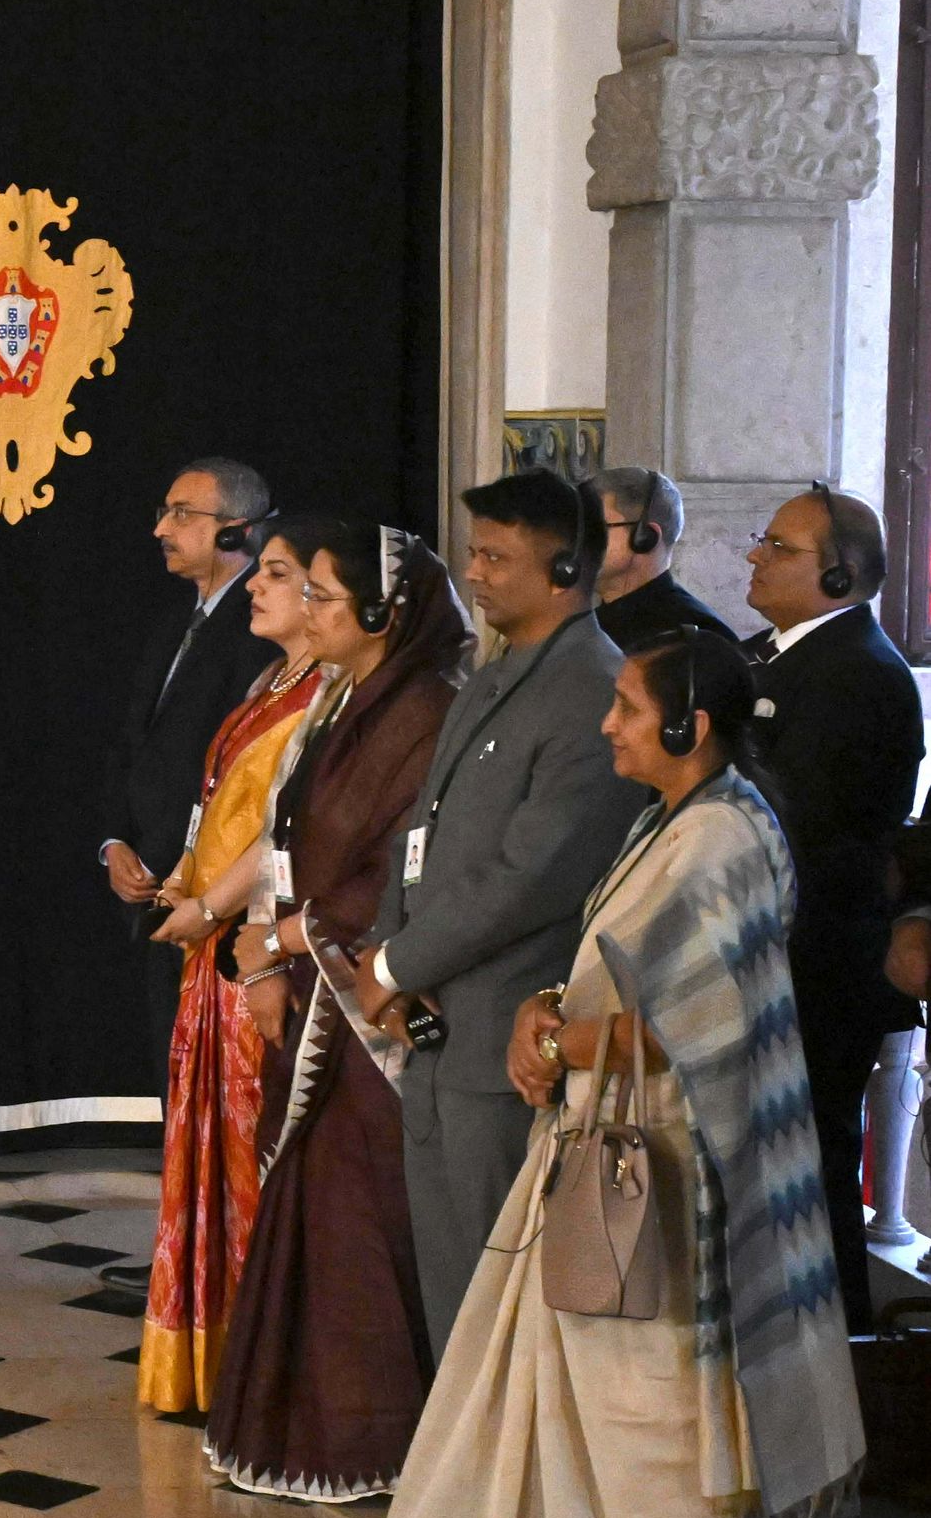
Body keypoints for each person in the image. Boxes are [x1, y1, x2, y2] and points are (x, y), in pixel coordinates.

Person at [369, 631, 863, 1518]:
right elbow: (618, 966)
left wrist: (561, 1044)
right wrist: (545, 1008)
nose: (609, 725)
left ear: (690, 725)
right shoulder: (668, 820)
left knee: (662, 1418)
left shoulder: (722, 838)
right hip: (612, 1142)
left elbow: (703, 1020)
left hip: (676, 1173)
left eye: (629, 709)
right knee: (600, 1404)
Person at [203, 522, 469, 1501]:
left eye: (322, 595)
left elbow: (405, 868)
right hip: (307, 978)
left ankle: (375, 1442)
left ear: (382, 612)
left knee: (361, 1219)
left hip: (370, 1004)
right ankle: (297, 1430)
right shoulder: (335, 699)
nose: (308, 611)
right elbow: (286, 838)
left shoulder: (427, 711)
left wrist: (283, 939)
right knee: (309, 1209)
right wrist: (264, 948)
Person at [358, 470, 644, 1343]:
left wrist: (397, 964)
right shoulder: (497, 672)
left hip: (503, 1034)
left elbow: (534, 874)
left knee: (498, 1298)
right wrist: (387, 951)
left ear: (564, 571)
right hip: (436, 1024)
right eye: (473, 553)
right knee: (451, 1286)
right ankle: (461, 1433)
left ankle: (499, 1439)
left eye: (495, 558)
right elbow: (423, 827)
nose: (473, 574)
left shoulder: (592, 686)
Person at [137, 526, 328, 1410]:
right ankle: (207, 1361)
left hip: (257, 948)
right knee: (206, 1145)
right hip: (209, 944)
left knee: (252, 1151)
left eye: (279, 576)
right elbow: (215, 799)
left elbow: (284, 828)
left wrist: (212, 906)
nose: (257, 586)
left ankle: (257, 1371)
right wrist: (184, 871)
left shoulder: (327, 697)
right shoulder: (268, 682)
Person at [743, 482, 920, 1331]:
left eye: (780, 546)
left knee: (809, 1178)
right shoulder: (770, 655)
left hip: (814, 968)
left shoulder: (860, 674)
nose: (756, 555)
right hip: (771, 960)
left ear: (840, 576)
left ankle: (841, 1360)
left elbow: (794, 823)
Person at [102, 460, 280, 1081]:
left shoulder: (263, 630)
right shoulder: (175, 621)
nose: (161, 529)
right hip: (156, 888)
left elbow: (238, 773)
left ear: (237, 530)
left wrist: (186, 875)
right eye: (164, 512)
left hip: (215, 897)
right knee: (171, 1077)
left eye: (182, 514)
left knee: (212, 1085)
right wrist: (115, 840)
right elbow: (133, 744)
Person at [584, 467, 734, 656]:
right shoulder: (585, 622)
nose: (576, 540)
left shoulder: (697, 637)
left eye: (595, 528)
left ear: (646, 537)